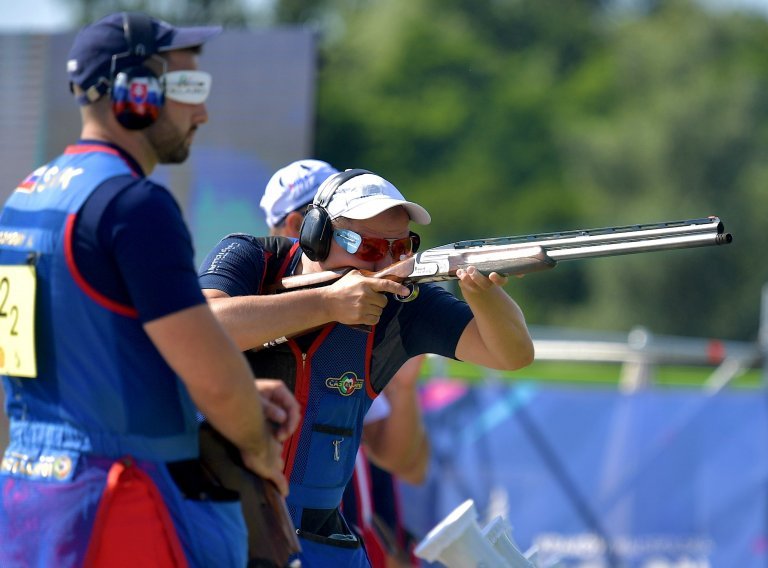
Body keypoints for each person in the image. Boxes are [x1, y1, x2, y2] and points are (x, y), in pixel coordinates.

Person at [0, 12, 299, 567]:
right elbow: (214, 376)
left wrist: (183, 399)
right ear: (134, 91)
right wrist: (258, 445)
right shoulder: (135, 207)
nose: (202, 110)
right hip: (123, 504)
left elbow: (80, 356)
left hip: (32, 502)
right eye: (189, 86)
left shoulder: (24, 199)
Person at [198, 167, 534, 566]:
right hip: (217, 521)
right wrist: (326, 304)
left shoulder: (403, 306)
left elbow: (512, 355)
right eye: (371, 248)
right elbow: (203, 328)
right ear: (316, 236)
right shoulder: (254, 259)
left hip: (320, 541)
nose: (387, 263)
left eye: (402, 247)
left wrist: (486, 296)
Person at [261, 160, 430, 567]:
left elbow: (406, 464)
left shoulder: (370, 321)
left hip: (350, 541)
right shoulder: (252, 302)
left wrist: (404, 390)